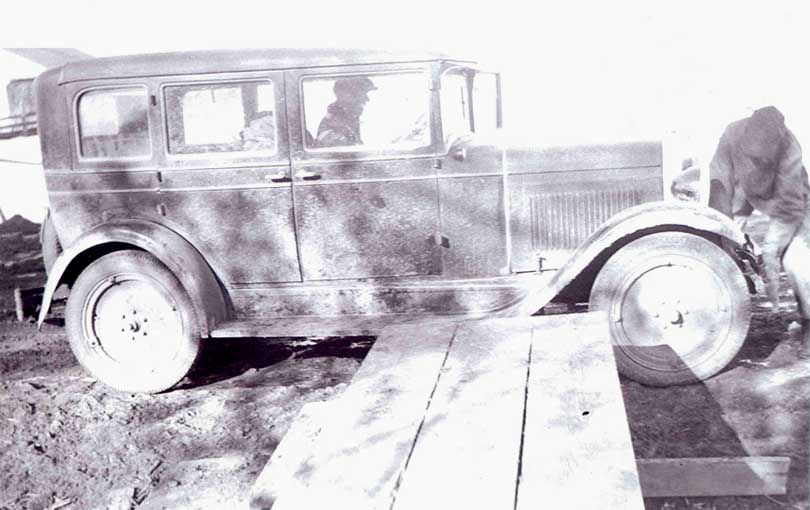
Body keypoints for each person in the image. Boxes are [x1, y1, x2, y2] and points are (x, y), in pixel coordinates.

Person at [708, 106, 810, 357]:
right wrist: (722, 240)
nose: (758, 161)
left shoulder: (790, 147)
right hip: (745, 194)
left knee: (797, 260)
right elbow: (719, 183)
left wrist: (769, 254)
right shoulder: (732, 133)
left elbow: (789, 208)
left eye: (763, 157)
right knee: (721, 244)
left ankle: (809, 322)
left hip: (790, 200)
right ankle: (715, 320)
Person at [315, 77, 377, 148]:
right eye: (362, 94)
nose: (367, 99)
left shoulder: (347, 122)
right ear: (348, 96)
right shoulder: (334, 132)